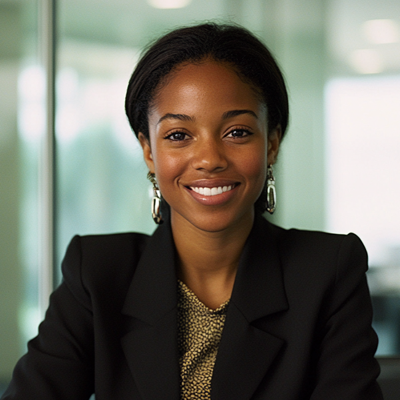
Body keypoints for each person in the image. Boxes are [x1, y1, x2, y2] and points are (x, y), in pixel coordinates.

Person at [2, 23, 383, 400]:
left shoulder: (327, 272)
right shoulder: (97, 273)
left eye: (237, 132)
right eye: (178, 136)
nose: (209, 160)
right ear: (149, 151)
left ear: (271, 143)